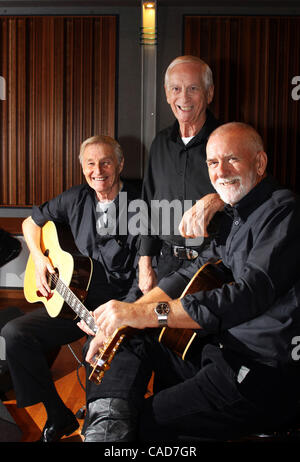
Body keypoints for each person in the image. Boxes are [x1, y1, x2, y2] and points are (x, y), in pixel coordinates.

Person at [79, 122, 300, 442]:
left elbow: (248, 295)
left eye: (232, 159)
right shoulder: (237, 214)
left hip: (259, 376)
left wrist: (146, 313)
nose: (221, 171)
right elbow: (192, 271)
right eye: (212, 162)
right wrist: (127, 314)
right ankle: (105, 425)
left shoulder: (284, 211)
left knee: (144, 425)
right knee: (130, 336)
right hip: (220, 350)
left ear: (260, 163)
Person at [1, 135, 141, 442]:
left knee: (100, 359)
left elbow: (145, 276)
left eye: (105, 162)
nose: (98, 170)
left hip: (119, 304)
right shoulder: (76, 198)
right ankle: (57, 414)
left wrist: (118, 315)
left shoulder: (141, 203)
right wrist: (38, 260)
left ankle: (102, 417)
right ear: (82, 168)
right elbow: (30, 223)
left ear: (120, 164)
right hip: (74, 298)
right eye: (90, 163)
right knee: (15, 334)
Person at [138, 55, 224, 295]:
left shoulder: (228, 140)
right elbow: (148, 205)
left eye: (193, 89)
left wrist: (215, 200)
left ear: (209, 93)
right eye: (176, 89)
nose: (183, 97)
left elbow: (254, 194)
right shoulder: (160, 143)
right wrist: (145, 262)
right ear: (167, 94)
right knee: (154, 328)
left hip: (213, 264)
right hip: (167, 264)